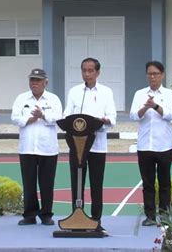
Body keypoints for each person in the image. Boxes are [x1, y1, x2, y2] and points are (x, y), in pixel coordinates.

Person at [63, 57, 117, 233]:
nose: (87, 74)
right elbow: (66, 115)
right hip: (77, 146)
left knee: (96, 183)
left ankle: (96, 219)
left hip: (97, 145)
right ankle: (77, 218)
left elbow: (112, 117)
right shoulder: (74, 92)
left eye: (90, 70)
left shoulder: (106, 92)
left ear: (98, 72)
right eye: (84, 70)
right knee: (76, 182)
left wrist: (103, 121)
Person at [11, 69, 62, 226]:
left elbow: (59, 117)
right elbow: (14, 118)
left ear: (45, 82)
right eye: (32, 79)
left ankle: (46, 214)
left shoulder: (53, 99)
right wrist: (30, 119)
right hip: (27, 147)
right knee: (29, 183)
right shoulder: (21, 98)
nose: (34, 83)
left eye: (38, 80)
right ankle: (30, 214)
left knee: (47, 183)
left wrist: (43, 116)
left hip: (48, 148)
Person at [129, 61, 172, 226]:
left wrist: (155, 106)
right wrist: (145, 108)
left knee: (164, 182)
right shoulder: (140, 94)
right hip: (145, 145)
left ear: (162, 75)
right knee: (147, 183)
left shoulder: (170, 94)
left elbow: (171, 115)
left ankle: (164, 215)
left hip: (164, 145)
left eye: (156, 73)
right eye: (149, 74)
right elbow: (134, 116)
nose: (152, 77)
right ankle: (150, 216)